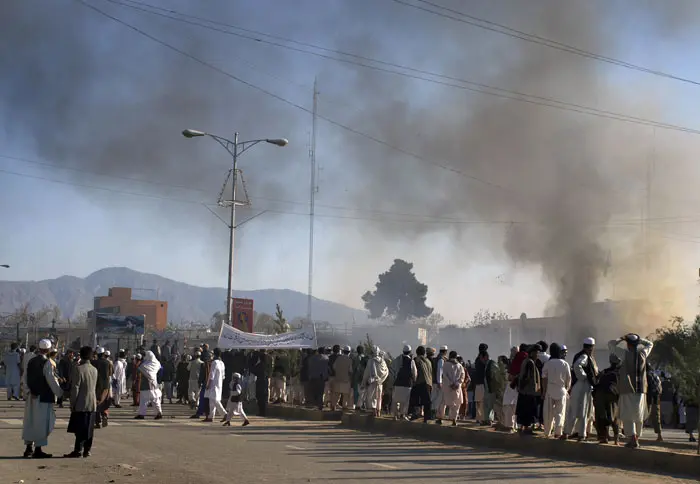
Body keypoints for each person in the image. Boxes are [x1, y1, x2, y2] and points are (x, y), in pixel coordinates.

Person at [608, 334, 654, 448]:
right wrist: (639, 340)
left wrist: (621, 338)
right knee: (638, 414)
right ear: (637, 344)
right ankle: (636, 437)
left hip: (627, 388)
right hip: (641, 389)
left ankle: (632, 438)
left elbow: (610, 344)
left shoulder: (624, 354)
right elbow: (650, 344)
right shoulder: (643, 353)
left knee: (628, 415)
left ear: (627, 344)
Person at [22, 339, 63, 458]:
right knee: (41, 423)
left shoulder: (30, 361)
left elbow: (25, 378)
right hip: (43, 397)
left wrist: (28, 392)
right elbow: (51, 380)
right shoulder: (48, 363)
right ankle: (38, 449)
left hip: (31, 396)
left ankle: (28, 447)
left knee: (30, 421)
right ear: (49, 350)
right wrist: (60, 393)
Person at [64, 346, 98, 458]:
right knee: (89, 428)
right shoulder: (94, 369)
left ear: (81, 355)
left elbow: (76, 388)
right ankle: (87, 450)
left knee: (79, 428)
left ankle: (77, 450)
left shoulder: (78, 369)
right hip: (92, 403)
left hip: (80, 403)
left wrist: (72, 403)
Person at [563, 337, 598, 441]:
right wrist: (584, 377)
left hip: (579, 385)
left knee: (575, 410)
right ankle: (580, 434)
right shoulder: (585, 356)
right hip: (583, 385)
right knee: (582, 410)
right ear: (591, 347)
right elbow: (577, 365)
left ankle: (570, 433)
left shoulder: (585, 355)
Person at [541, 343, 571, 438]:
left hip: (550, 390)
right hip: (561, 390)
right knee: (560, 413)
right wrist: (566, 389)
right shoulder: (565, 364)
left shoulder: (547, 364)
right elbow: (569, 379)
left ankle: (547, 432)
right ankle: (558, 432)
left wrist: (544, 391)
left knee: (548, 412)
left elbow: (544, 378)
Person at [594, 353, 621, 445]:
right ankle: (616, 439)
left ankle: (604, 437)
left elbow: (597, 379)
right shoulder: (620, 372)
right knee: (614, 415)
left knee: (602, 416)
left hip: (600, 393)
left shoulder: (605, 371)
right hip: (612, 394)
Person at [516, 344, 541, 435]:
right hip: (528, 392)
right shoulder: (530, 362)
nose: (537, 355)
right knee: (528, 411)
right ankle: (527, 429)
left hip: (525, 391)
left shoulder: (527, 361)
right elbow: (526, 378)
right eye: (536, 353)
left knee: (524, 411)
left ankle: (523, 428)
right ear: (532, 353)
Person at [391, 345, 417, 420]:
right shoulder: (411, 361)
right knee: (405, 401)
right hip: (407, 384)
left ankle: (395, 415)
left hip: (398, 383)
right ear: (410, 352)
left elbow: (393, 370)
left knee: (395, 400)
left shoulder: (397, 360)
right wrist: (414, 380)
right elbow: (414, 373)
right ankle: (403, 414)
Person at [440, 350, 466, 426]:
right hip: (456, 388)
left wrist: (451, 383)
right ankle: (454, 420)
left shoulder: (446, 364)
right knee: (456, 404)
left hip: (448, 388)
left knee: (443, 403)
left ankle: (440, 418)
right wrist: (457, 384)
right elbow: (462, 376)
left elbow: (444, 375)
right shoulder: (460, 366)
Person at [135, 351, 163, 420]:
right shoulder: (157, 363)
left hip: (146, 384)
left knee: (143, 400)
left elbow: (138, 369)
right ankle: (158, 413)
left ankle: (142, 414)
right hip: (154, 384)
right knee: (155, 400)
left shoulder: (144, 365)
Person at [363, 346, 389, 417]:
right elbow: (386, 372)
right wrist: (381, 380)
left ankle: (374, 412)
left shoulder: (371, 361)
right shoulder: (383, 361)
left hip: (372, 382)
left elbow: (367, 373)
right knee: (379, 397)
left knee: (372, 397)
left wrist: (364, 382)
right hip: (380, 383)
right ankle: (378, 411)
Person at [409, 346, 433, 423]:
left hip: (419, 382)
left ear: (417, 352)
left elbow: (414, 371)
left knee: (415, 399)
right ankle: (427, 417)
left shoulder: (416, 360)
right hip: (429, 382)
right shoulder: (428, 361)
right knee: (427, 401)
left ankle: (415, 414)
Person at [92, 347, 113, 428]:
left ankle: (97, 422)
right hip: (106, 385)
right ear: (104, 354)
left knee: (96, 403)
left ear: (97, 354)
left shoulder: (94, 362)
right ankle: (104, 415)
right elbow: (111, 373)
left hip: (97, 385)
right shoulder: (108, 363)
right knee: (104, 402)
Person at [206, 348, 227, 422]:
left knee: (215, 400)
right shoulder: (222, 363)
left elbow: (211, 375)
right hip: (219, 383)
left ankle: (224, 414)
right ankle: (211, 416)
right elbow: (223, 376)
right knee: (212, 400)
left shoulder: (214, 362)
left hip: (214, 384)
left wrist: (208, 384)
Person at [331, 346, 353, 411]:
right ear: (349, 352)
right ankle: (344, 407)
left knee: (336, 394)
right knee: (345, 395)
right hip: (346, 380)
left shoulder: (338, 358)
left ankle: (333, 406)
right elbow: (350, 370)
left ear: (343, 351)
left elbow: (334, 367)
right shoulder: (349, 360)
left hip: (337, 379)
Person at [646, 367, 663, 442]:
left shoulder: (646, 375)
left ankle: (636, 436)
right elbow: (660, 389)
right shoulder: (656, 376)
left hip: (648, 398)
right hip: (656, 399)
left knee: (642, 416)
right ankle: (659, 436)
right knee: (656, 417)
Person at [251, 350, 270, 416]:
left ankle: (261, 412)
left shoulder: (260, 365)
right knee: (263, 397)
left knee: (260, 398)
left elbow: (254, 371)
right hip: (265, 382)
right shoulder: (267, 365)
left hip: (260, 382)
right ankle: (263, 412)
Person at [473, 343, 488, 423]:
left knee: (478, 402)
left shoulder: (477, 359)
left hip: (478, 383)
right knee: (482, 402)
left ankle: (478, 418)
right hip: (483, 384)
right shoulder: (483, 359)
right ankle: (482, 418)